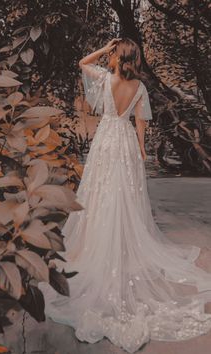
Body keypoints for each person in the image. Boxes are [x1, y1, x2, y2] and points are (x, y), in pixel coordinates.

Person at [38, 38, 211, 353]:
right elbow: (141, 124)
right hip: (126, 141)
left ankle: (99, 242)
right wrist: (142, 151)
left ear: (119, 57)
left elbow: (82, 63)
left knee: (100, 193)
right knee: (123, 196)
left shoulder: (106, 78)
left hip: (106, 140)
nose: (112, 56)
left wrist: (103, 49)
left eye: (115, 53)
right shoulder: (140, 87)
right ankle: (119, 243)